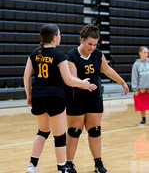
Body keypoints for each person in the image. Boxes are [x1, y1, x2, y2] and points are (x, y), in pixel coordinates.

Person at [24, 23, 97, 173]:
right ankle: (62, 168)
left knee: (43, 131)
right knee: (60, 135)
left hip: (37, 96)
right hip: (54, 97)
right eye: (59, 34)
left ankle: (32, 165)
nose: (60, 37)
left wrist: (29, 95)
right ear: (54, 37)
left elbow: (26, 76)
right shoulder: (59, 56)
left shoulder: (34, 53)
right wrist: (83, 84)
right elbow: (69, 79)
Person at [64, 24, 129, 173]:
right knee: (74, 131)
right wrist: (83, 84)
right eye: (89, 44)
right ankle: (68, 163)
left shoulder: (98, 54)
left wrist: (122, 82)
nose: (92, 47)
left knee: (95, 130)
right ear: (82, 40)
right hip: (76, 99)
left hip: (94, 99)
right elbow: (72, 78)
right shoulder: (71, 56)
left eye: (95, 44)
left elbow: (107, 69)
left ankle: (98, 163)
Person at [131, 46, 149, 125]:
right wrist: (135, 89)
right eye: (144, 52)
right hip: (142, 86)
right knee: (142, 104)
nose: (146, 54)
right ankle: (143, 119)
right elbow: (134, 77)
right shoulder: (136, 64)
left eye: (147, 52)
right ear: (140, 53)